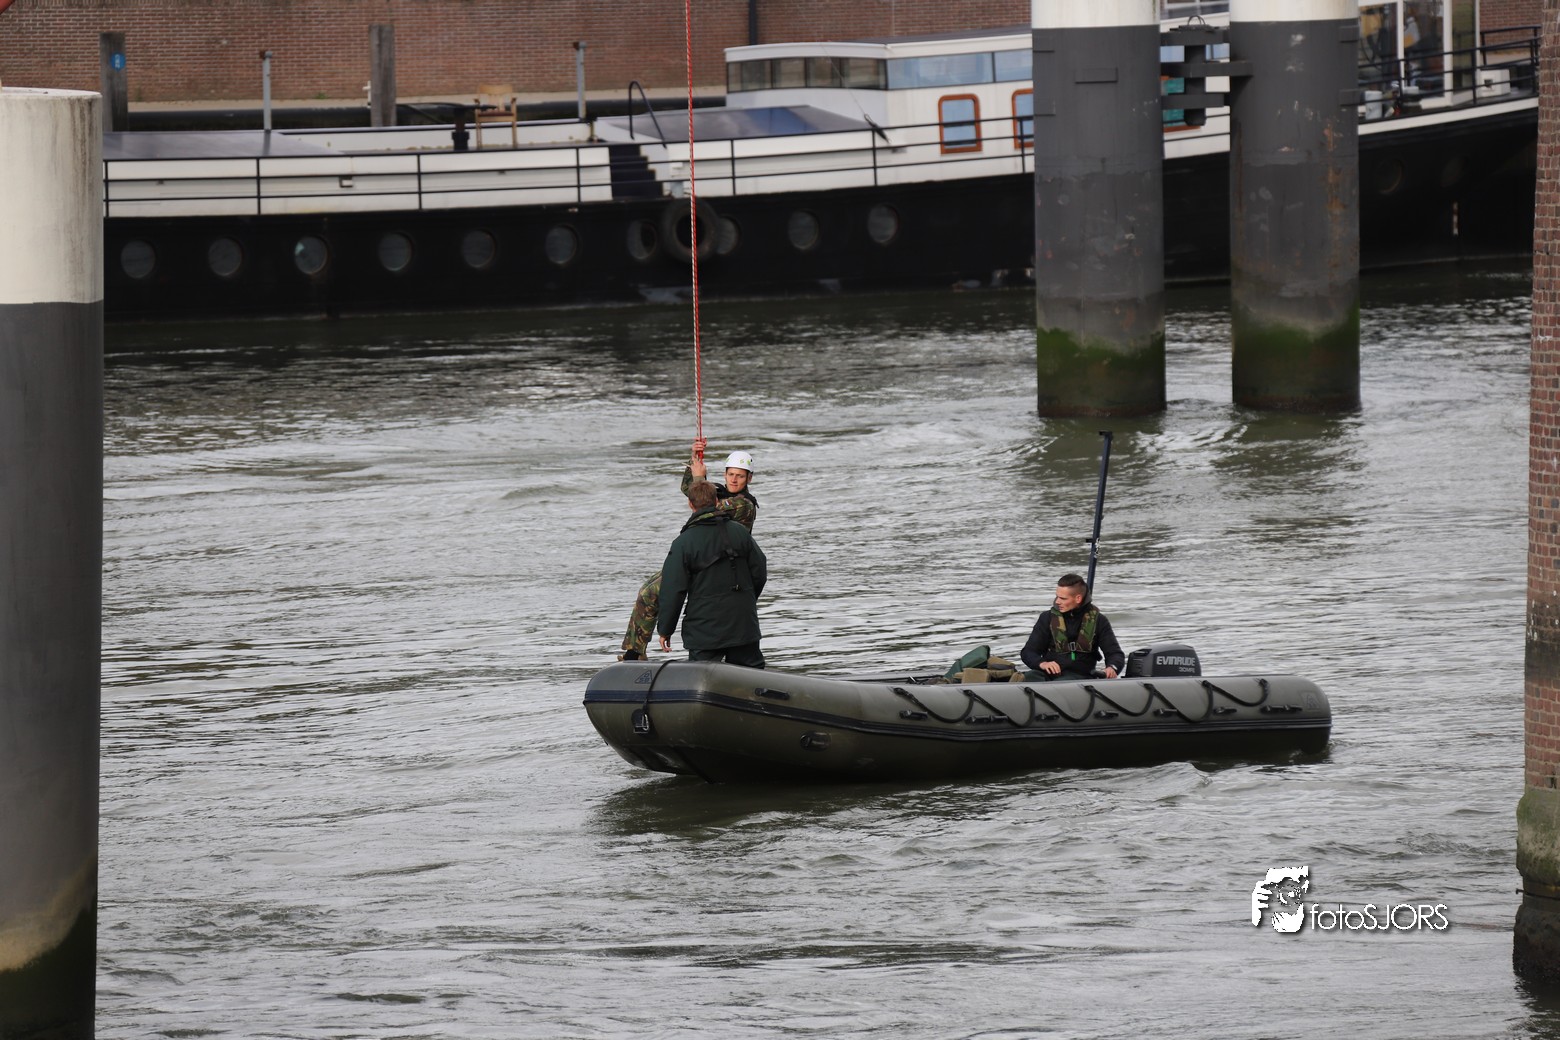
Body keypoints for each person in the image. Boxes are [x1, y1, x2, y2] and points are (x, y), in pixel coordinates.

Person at [619, 439, 759, 659]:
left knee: (657, 590)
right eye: (731, 474)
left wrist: (700, 478)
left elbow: (706, 505)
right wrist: (694, 459)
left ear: (749, 478)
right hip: (700, 557)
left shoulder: (744, 505)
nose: (734, 479)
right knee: (648, 591)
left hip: (720, 564)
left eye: (740, 476)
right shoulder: (719, 493)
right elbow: (690, 490)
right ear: (724, 474)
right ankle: (635, 651)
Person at [655, 480, 768, 668]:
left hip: (704, 631)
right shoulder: (740, 532)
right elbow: (760, 571)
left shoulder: (683, 543)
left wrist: (665, 629)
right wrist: (745, 600)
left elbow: (673, 589)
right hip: (743, 626)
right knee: (753, 677)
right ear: (716, 501)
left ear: (690, 504)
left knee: (701, 678)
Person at [1020, 573, 1125, 680]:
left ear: (1078, 598)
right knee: (1027, 677)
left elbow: (1115, 654)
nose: (1057, 601)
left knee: (1064, 681)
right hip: (1048, 674)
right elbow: (1028, 652)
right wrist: (1042, 663)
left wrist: (1112, 667)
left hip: (1080, 676)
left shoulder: (1099, 620)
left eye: (1063, 598)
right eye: (1057, 596)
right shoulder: (1047, 618)